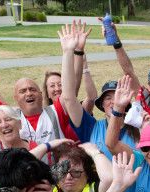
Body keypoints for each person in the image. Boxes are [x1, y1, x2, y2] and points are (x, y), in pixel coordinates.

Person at [58, 22, 137, 159]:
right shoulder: (90, 126)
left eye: (117, 96)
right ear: (101, 104)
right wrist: (68, 52)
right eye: (108, 98)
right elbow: (69, 97)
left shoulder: (137, 129)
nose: (113, 101)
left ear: (126, 103)